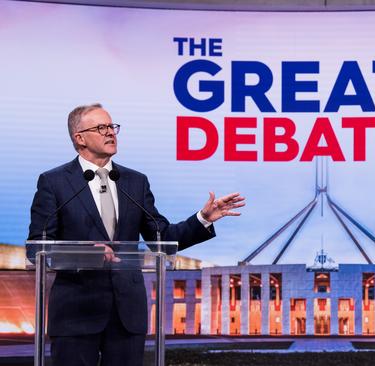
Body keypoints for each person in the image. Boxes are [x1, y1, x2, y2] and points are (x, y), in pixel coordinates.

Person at [27, 103, 245, 366]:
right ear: (79, 138)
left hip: (126, 315)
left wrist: (203, 219)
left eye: (112, 126)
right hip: (76, 313)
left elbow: (161, 239)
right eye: (101, 127)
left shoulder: (134, 181)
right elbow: (38, 247)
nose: (110, 133)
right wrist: (89, 254)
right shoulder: (54, 182)